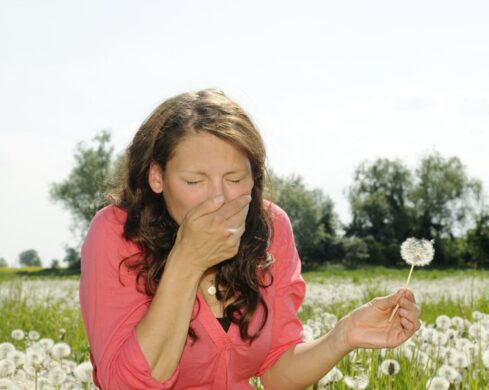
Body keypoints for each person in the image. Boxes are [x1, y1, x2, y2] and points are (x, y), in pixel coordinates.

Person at [79, 88, 421, 390]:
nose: (219, 199)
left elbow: (276, 371)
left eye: (234, 179)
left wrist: (343, 336)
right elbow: (126, 384)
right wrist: (187, 261)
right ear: (157, 176)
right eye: (194, 181)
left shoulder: (271, 228)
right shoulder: (116, 234)